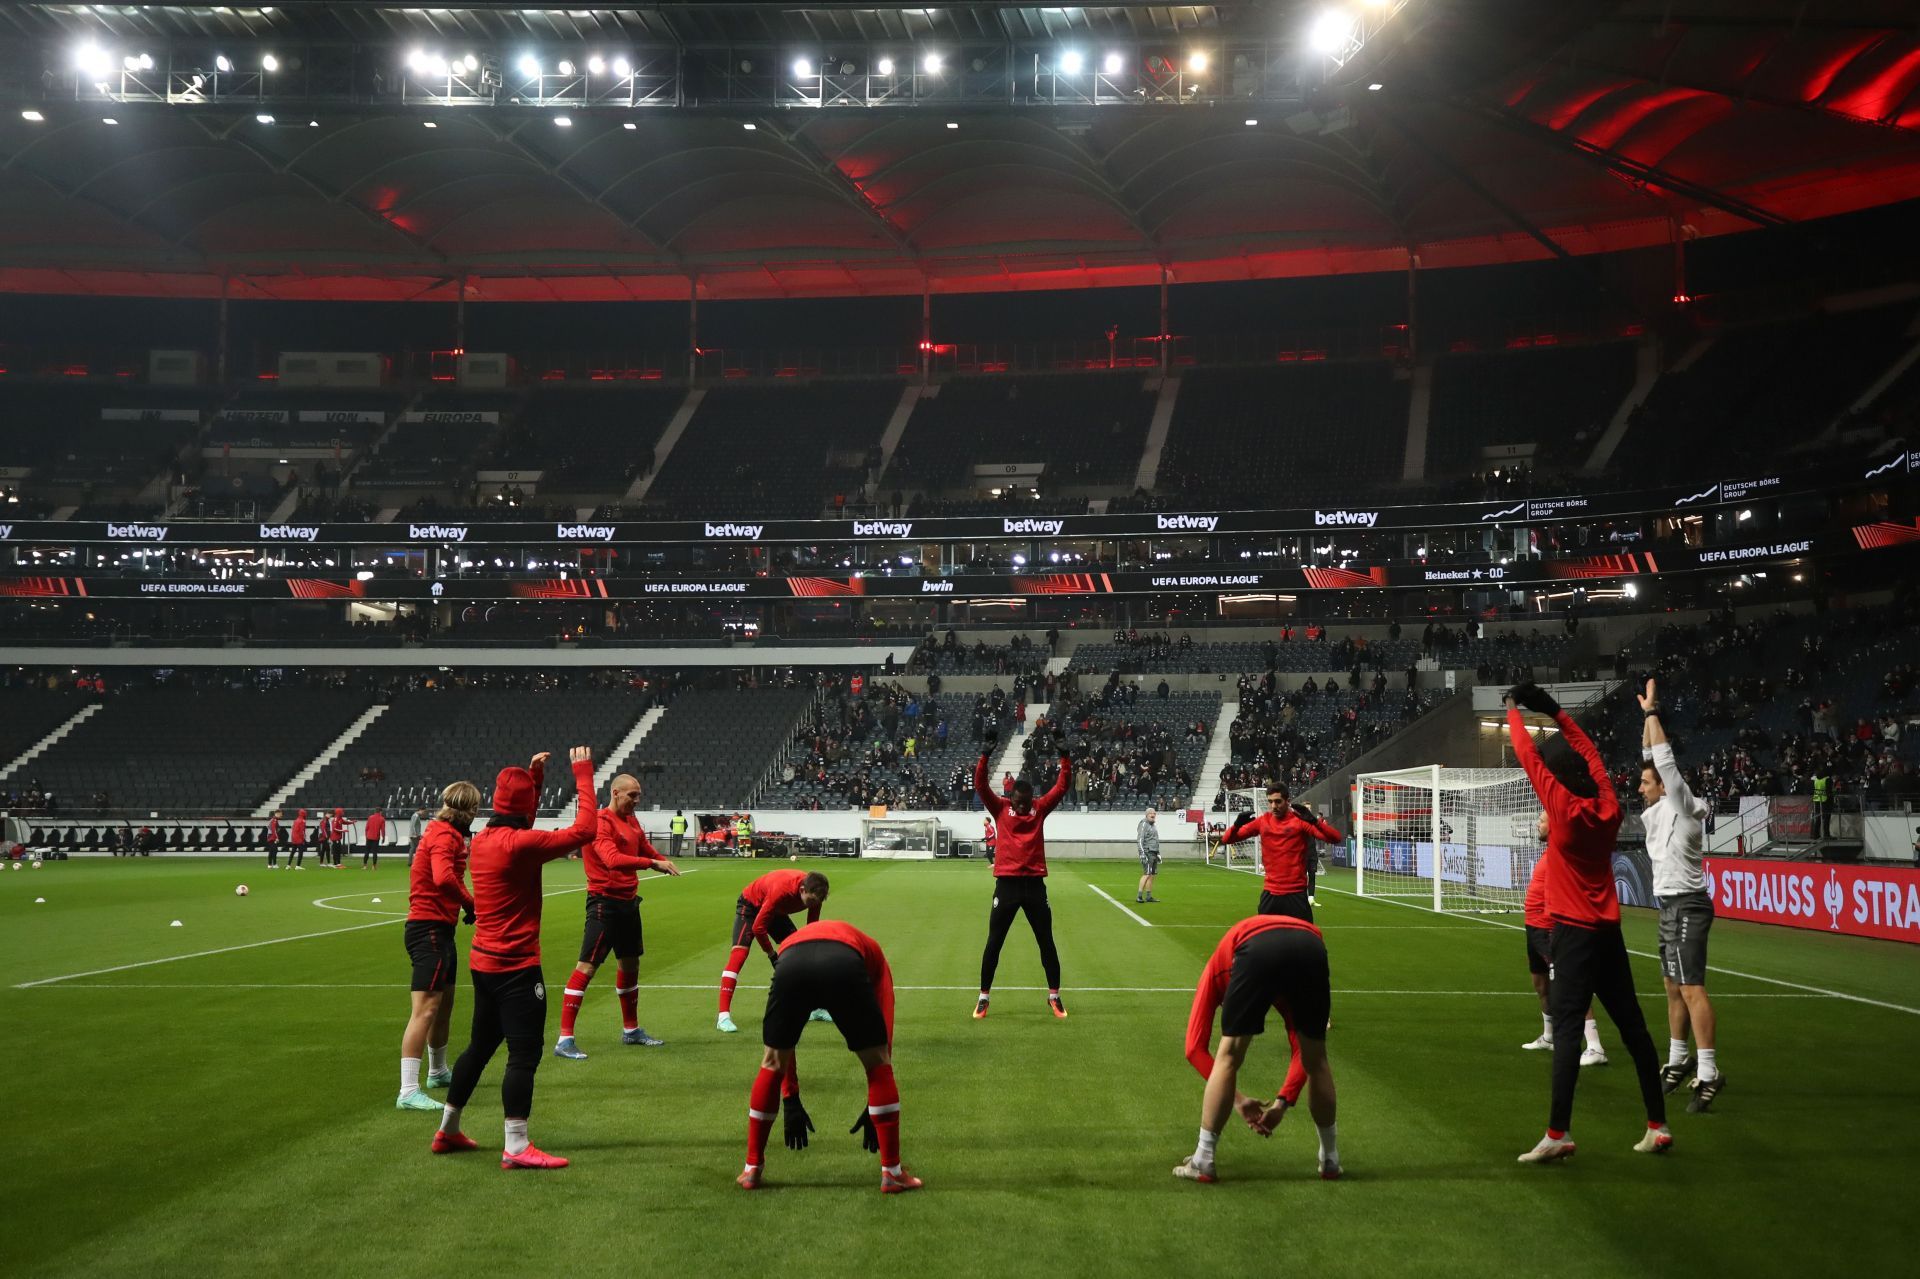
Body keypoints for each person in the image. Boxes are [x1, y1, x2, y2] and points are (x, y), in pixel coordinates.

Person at [1504, 684, 1669, 1164]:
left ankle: (1558, 1132)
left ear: (1560, 785)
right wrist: (1553, 710)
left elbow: (1526, 754)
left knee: (1568, 1032)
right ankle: (1657, 1124)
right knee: (1634, 1028)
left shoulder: (1563, 811)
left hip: (1572, 933)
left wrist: (1514, 709)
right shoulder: (1610, 807)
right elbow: (1588, 750)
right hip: (1608, 933)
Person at [433, 747, 598, 1170]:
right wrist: (582, 773)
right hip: (517, 966)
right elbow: (584, 831)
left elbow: (519, 813)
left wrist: (534, 779)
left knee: (481, 1045)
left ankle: (448, 1128)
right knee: (524, 1053)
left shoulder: (485, 839)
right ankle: (517, 1145)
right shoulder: (521, 845)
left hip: (483, 962)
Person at [735, 918, 920, 1194]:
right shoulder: (874, 952)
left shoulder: (793, 942)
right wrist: (877, 1099)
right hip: (843, 961)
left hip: (791, 962)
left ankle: (752, 1169)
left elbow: (785, 1049)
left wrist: (791, 1096)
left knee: (772, 1061)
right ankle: (892, 1173)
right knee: (877, 1064)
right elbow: (885, 1014)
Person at [1174, 914, 1340, 1184]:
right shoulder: (1267, 984)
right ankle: (1330, 1159)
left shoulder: (1217, 971)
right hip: (1311, 945)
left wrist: (1240, 1099)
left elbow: (1194, 1048)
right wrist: (1281, 1103)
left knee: (1229, 1055)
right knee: (1317, 1057)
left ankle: (1203, 1159)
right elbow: (1303, 1053)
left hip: (1256, 948)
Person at [1639, 679, 1724, 1113]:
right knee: (1672, 987)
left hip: (1688, 904)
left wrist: (1654, 715)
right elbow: (1650, 758)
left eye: (1645, 783)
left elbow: (1664, 764)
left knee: (1692, 988)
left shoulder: (1683, 806)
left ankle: (1708, 1073)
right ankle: (1677, 1060)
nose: (1640, 787)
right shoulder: (1659, 809)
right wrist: (1645, 718)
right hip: (1668, 906)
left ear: (1663, 789)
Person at [554, 774, 681, 1059]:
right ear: (615, 793)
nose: (637, 801)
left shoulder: (631, 820)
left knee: (630, 963)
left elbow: (641, 846)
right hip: (604, 904)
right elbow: (612, 860)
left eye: (638, 795)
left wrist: (659, 857)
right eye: (632, 796)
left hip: (627, 903)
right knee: (586, 967)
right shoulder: (601, 823)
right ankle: (564, 1039)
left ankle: (631, 1030)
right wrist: (652, 864)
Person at [971, 729, 1071, 1020]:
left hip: (1035, 886)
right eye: (1018, 803)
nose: (1024, 809)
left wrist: (1065, 757)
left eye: (1027, 804)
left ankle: (1054, 996)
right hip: (1007, 886)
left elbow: (1061, 788)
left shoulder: (1039, 809)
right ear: (1010, 798)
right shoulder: (1000, 808)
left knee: (1046, 941)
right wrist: (985, 756)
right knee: (994, 941)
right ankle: (983, 997)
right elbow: (980, 786)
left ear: (1032, 800)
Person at [397, 780, 480, 1113]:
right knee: (426, 1009)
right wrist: (471, 904)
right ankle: (407, 1090)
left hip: (440, 928)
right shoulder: (445, 835)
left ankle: (438, 1071)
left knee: (444, 1004)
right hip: (427, 928)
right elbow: (444, 878)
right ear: (469, 810)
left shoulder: (444, 832)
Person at [1519, 815, 1608, 1067]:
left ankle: (1594, 1045)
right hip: (1534, 928)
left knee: (1570, 986)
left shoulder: (1563, 854)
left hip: (1550, 930)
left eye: (1542, 820)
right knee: (1540, 985)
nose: (1538, 823)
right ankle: (1550, 1036)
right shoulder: (1550, 852)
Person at [717, 867, 830, 1034]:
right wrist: (771, 954)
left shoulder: (816, 895)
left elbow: (812, 925)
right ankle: (723, 1017)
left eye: (817, 902)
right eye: (811, 901)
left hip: (776, 910)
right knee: (739, 954)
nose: (813, 905)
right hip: (751, 906)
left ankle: (815, 1008)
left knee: (801, 954)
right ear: (802, 890)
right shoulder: (782, 890)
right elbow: (758, 928)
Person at [1215, 785, 1343, 922]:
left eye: (1278, 801)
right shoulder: (1263, 821)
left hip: (1296, 894)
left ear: (1288, 801)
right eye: (1270, 802)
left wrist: (1315, 822)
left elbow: (1335, 838)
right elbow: (1227, 839)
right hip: (1271, 893)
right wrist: (1236, 825)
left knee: (1303, 941)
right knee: (1266, 941)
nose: (1273, 806)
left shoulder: (1300, 821)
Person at [1136, 807, 1162, 904]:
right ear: (1146, 815)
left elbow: (1155, 839)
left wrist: (1158, 853)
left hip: (1154, 852)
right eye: (1151, 813)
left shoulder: (1153, 825)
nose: (1153, 815)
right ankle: (1139, 896)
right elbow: (1140, 840)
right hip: (1147, 852)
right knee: (1146, 874)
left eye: (1154, 813)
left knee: (1152, 875)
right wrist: (1142, 853)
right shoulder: (1143, 824)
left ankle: (1149, 896)